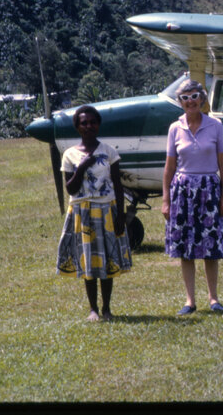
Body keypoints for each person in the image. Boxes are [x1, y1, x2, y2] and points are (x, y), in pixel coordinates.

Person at [162, 78, 223, 315]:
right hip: (182, 191)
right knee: (185, 248)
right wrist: (165, 200)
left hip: (209, 189)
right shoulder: (175, 128)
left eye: (194, 96)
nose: (190, 101)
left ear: (202, 99)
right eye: (185, 97)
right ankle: (190, 300)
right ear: (180, 102)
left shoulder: (215, 126)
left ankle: (214, 299)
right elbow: (169, 168)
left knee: (210, 246)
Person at [56, 105, 131, 321]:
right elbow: (70, 188)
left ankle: (107, 308)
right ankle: (93, 309)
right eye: (83, 123)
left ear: (98, 124)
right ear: (77, 127)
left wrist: (120, 215)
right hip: (82, 212)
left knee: (106, 260)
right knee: (88, 260)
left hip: (106, 209)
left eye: (92, 122)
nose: (88, 126)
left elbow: (118, 184)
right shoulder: (70, 155)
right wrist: (82, 167)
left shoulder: (109, 152)